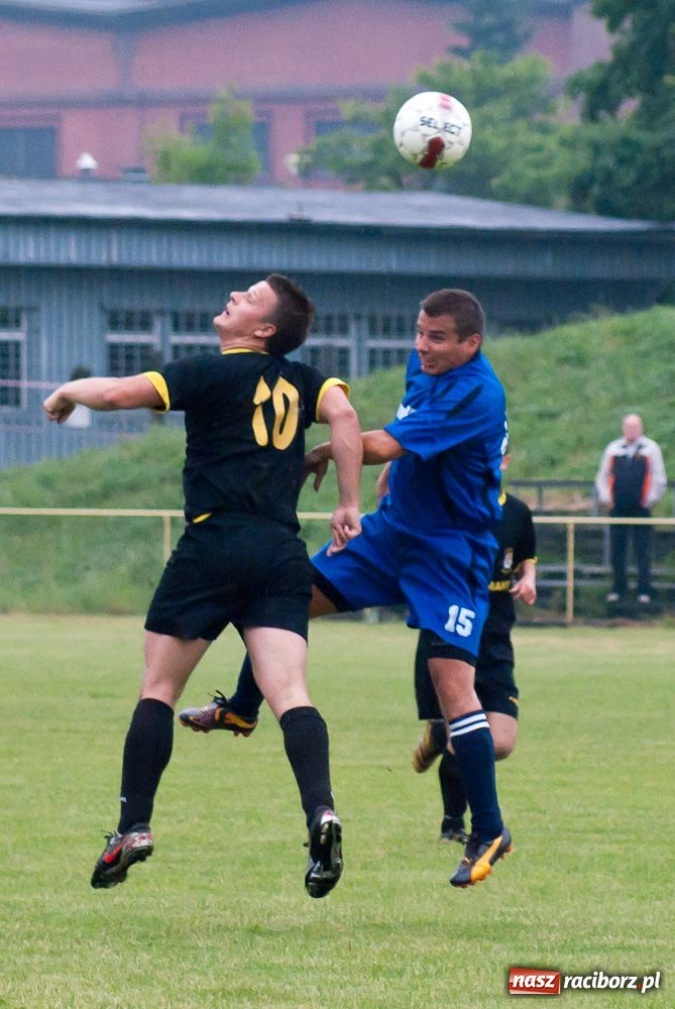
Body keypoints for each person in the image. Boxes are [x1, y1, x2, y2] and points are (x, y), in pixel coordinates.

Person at [180, 287, 513, 889]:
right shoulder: (428, 366)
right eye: (419, 332)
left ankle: (489, 828)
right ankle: (243, 708)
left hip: (453, 551)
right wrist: (387, 474)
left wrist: (315, 446)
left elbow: (384, 441)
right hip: (393, 535)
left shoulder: (478, 393)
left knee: (452, 686)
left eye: (437, 338)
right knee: (283, 595)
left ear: (472, 343)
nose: (422, 346)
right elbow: (405, 433)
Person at [43, 273, 363, 899]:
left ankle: (133, 826)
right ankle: (320, 812)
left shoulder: (207, 372)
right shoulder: (305, 380)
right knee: (289, 691)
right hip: (278, 550)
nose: (234, 299)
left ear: (263, 330)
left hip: (213, 546)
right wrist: (349, 502)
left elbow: (111, 396)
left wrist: (65, 392)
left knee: (159, 688)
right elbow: (346, 415)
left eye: (247, 297)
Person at [410, 450, 537, 844]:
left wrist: (528, 579)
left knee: (500, 742)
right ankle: (453, 825)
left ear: (506, 461)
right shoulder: (450, 508)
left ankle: (437, 737)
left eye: (495, 456)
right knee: (461, 735)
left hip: (496, 645)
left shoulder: (516, 512)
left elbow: (526, 559)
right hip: (449, 640)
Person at [595, 414, 667, 606]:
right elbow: (602, 476)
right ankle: (618, 588)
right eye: (628, 427)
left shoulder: (650, 449)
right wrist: (606, 499)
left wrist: (650, 500)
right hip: (618, 508)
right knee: (617, 550)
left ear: (641, 428)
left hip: (640, 508)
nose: (631, 431)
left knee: (642, 550)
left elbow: (659, 478)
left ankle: (644, 589)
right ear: (623, 429)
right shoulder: (613, 449)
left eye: (635, 427)